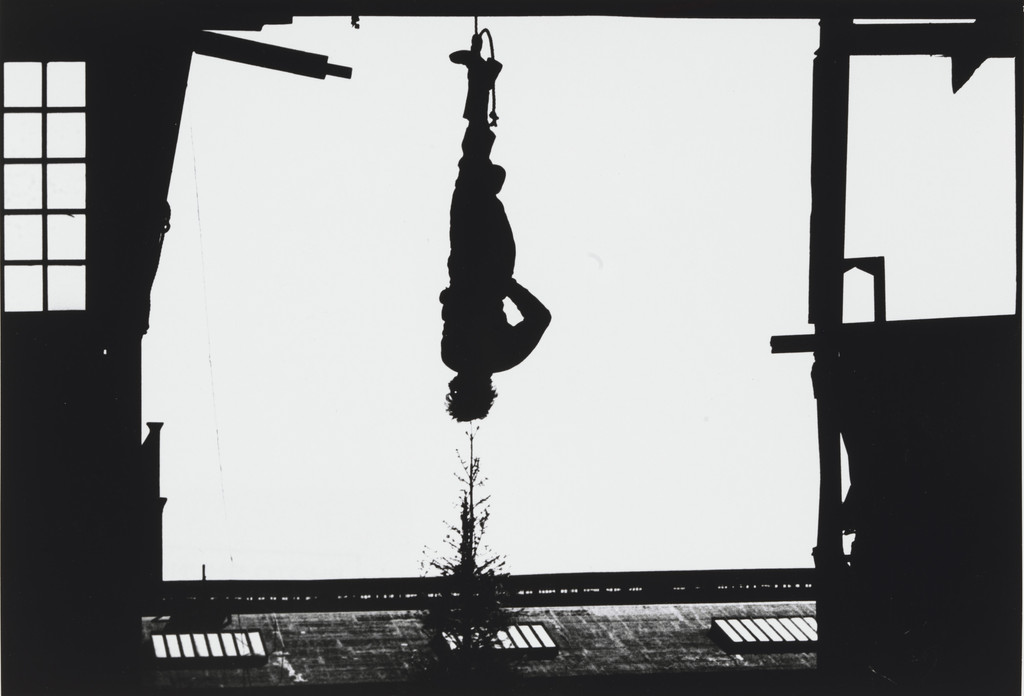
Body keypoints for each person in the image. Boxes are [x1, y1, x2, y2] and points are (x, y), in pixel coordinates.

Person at [441, 33, 551, 422]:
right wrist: (503, 284)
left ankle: (481, 80)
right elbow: (541, 317)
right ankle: (480, 78)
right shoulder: (463, 357)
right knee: (470, 170)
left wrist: (502, 284)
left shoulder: (485, 357)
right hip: (484, 260)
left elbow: (453, 308)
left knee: (471, 170)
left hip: (473, 258)